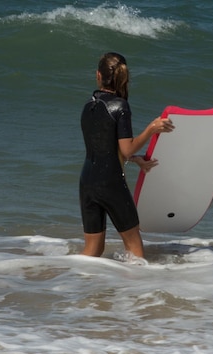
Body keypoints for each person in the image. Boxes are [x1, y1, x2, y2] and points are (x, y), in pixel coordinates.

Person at [79, 52, 174, 260]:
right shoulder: (120, 106)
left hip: (87, 182)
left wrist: (135, 160)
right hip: (111, 183)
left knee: (92, 250)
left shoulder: (88, 105)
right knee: (135, 250)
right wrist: (151, 129)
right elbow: (126, 149)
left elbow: (103, 146)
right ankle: (134, 293)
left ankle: (74, 286)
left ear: (98, 75)